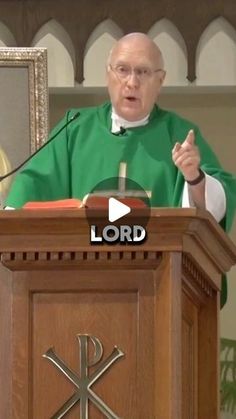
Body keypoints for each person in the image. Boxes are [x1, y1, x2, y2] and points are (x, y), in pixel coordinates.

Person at [5, 33, 236, 304]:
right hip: (78, 288)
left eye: (143, 72)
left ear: (160, 81)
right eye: (123, 70)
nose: (132, 82)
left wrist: (194, 177)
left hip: (157, 291)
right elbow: (30, 189)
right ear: (108, 75)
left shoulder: (181, 135)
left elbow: (214, 206)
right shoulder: (75, 129)